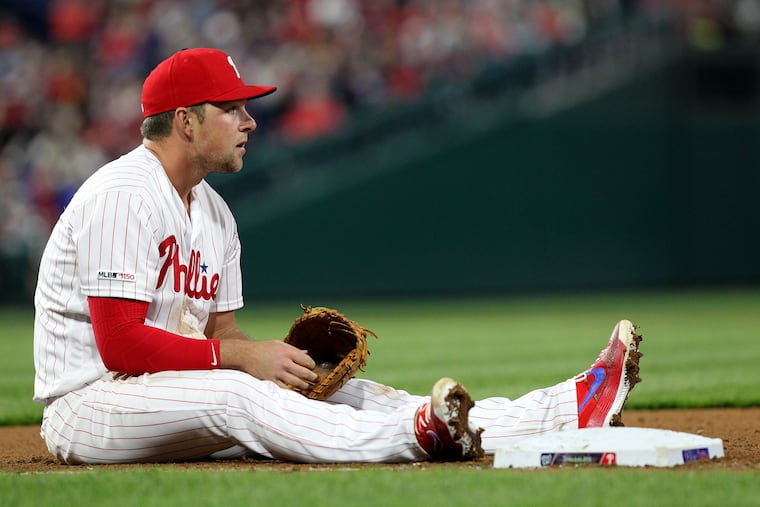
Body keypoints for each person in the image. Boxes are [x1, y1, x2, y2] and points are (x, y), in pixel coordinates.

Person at [32, 47, 642, 465]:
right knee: (240, 394)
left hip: (166, 394)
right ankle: (416, 440)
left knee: (344, 393)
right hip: (92, 404)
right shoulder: (121, 194)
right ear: (186, 121)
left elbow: (222, 337)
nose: (249, 121)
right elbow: (121, 346)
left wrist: (282, 366)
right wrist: (244, 359)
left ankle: (565, 408)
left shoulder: (214, 213)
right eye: (233, 109)